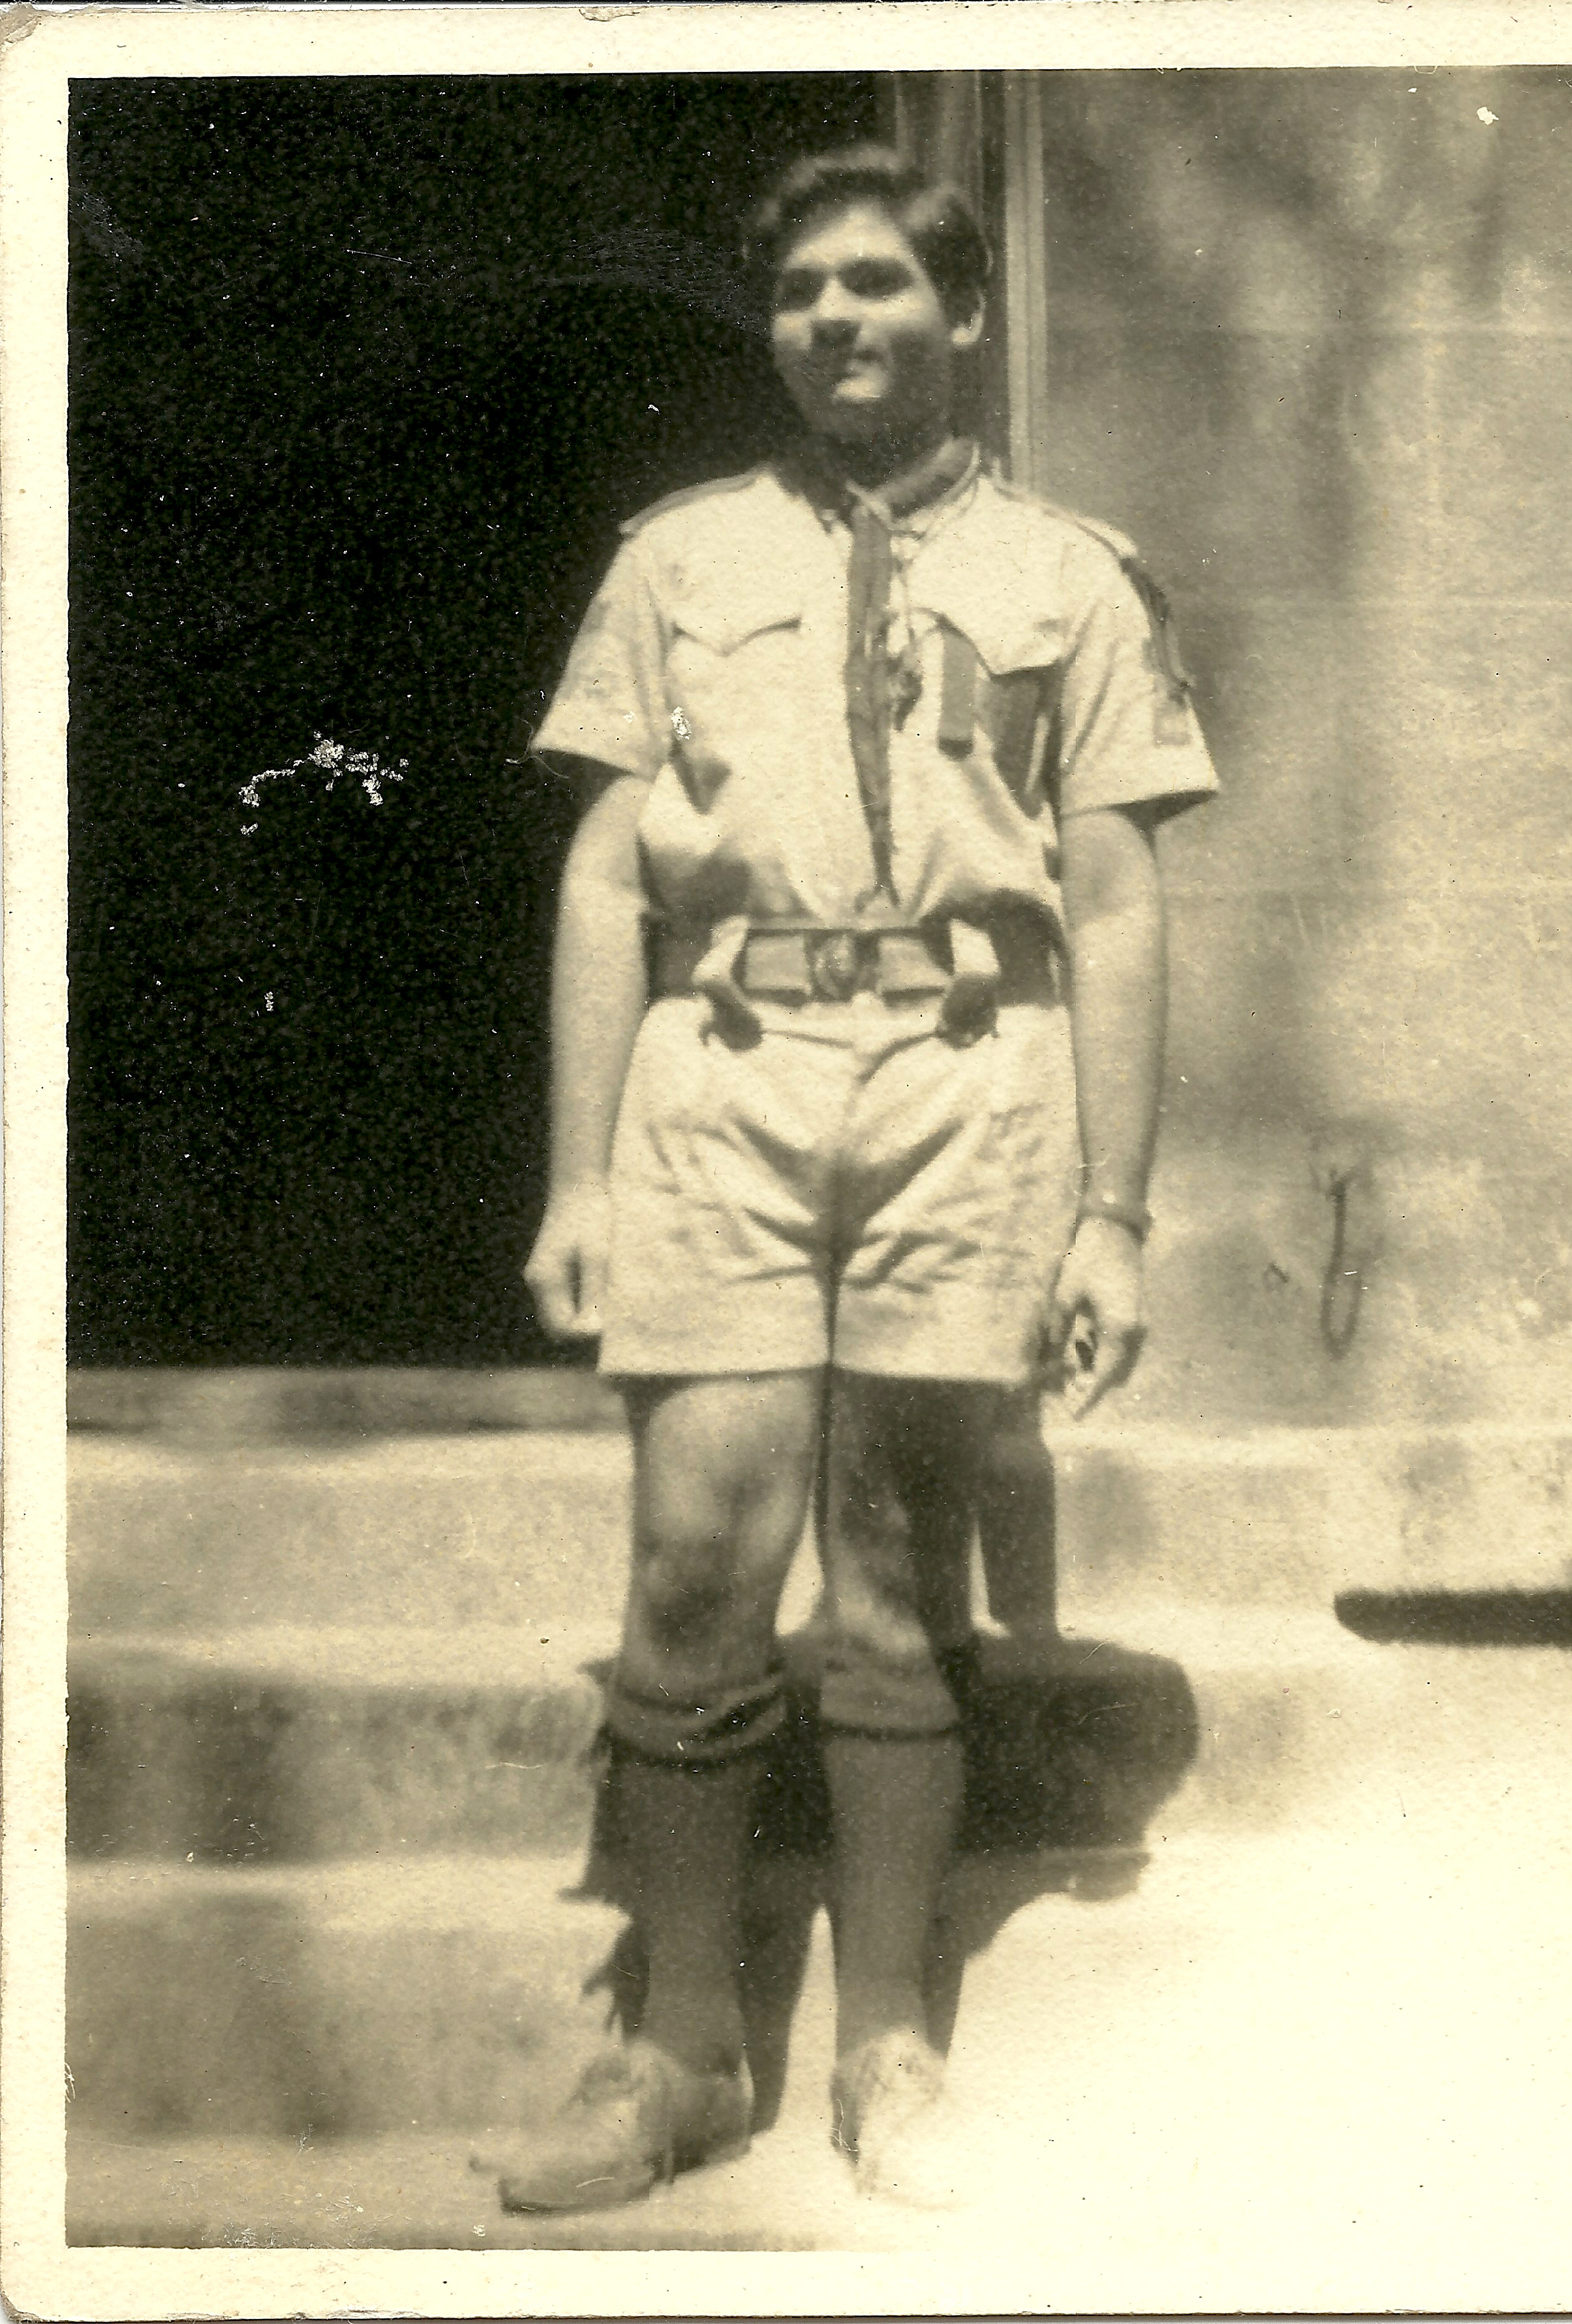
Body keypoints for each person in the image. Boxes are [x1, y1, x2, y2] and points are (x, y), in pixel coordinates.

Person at [495, 145, 1218, 2214]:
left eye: (881, 286)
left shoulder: (1076, 576)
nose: (836, 321)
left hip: (968, 1092)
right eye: (802, 290)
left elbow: (1119, 897)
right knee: (695, 1572)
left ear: (963, 316)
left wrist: (1114, 1210)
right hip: (719, 1080)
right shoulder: (679, 560)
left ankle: (892, 2053)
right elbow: (605, 877)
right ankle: (682, 2053)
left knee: (898, 1589)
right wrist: (581, 1181)